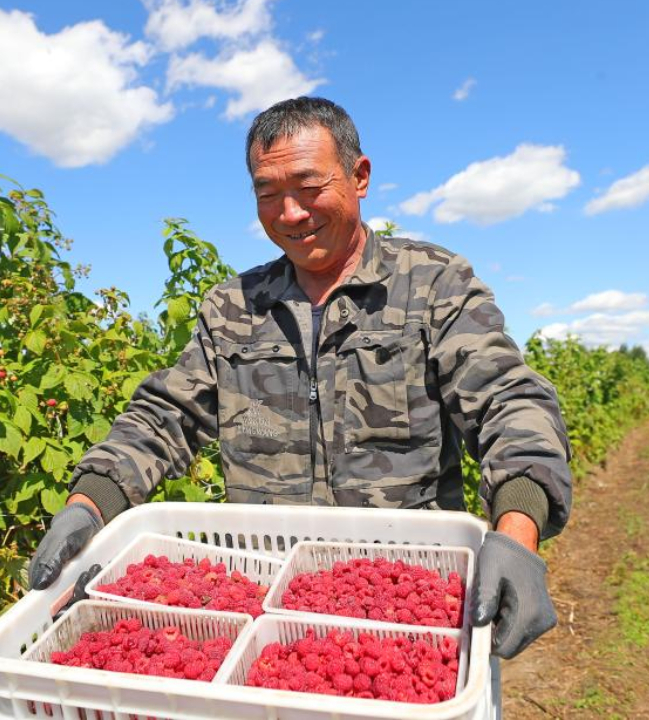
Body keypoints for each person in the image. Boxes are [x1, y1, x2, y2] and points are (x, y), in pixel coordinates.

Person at [30, 97, 572, 659]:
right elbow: (165, 415)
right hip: (264, 608)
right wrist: (89, 503)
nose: (289, 213)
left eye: (309, 187)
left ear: (359, 177)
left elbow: (509, 401)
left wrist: (517, 531)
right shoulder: (233, 308)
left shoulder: (432, 286)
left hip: (407, 598)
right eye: (267, 193)